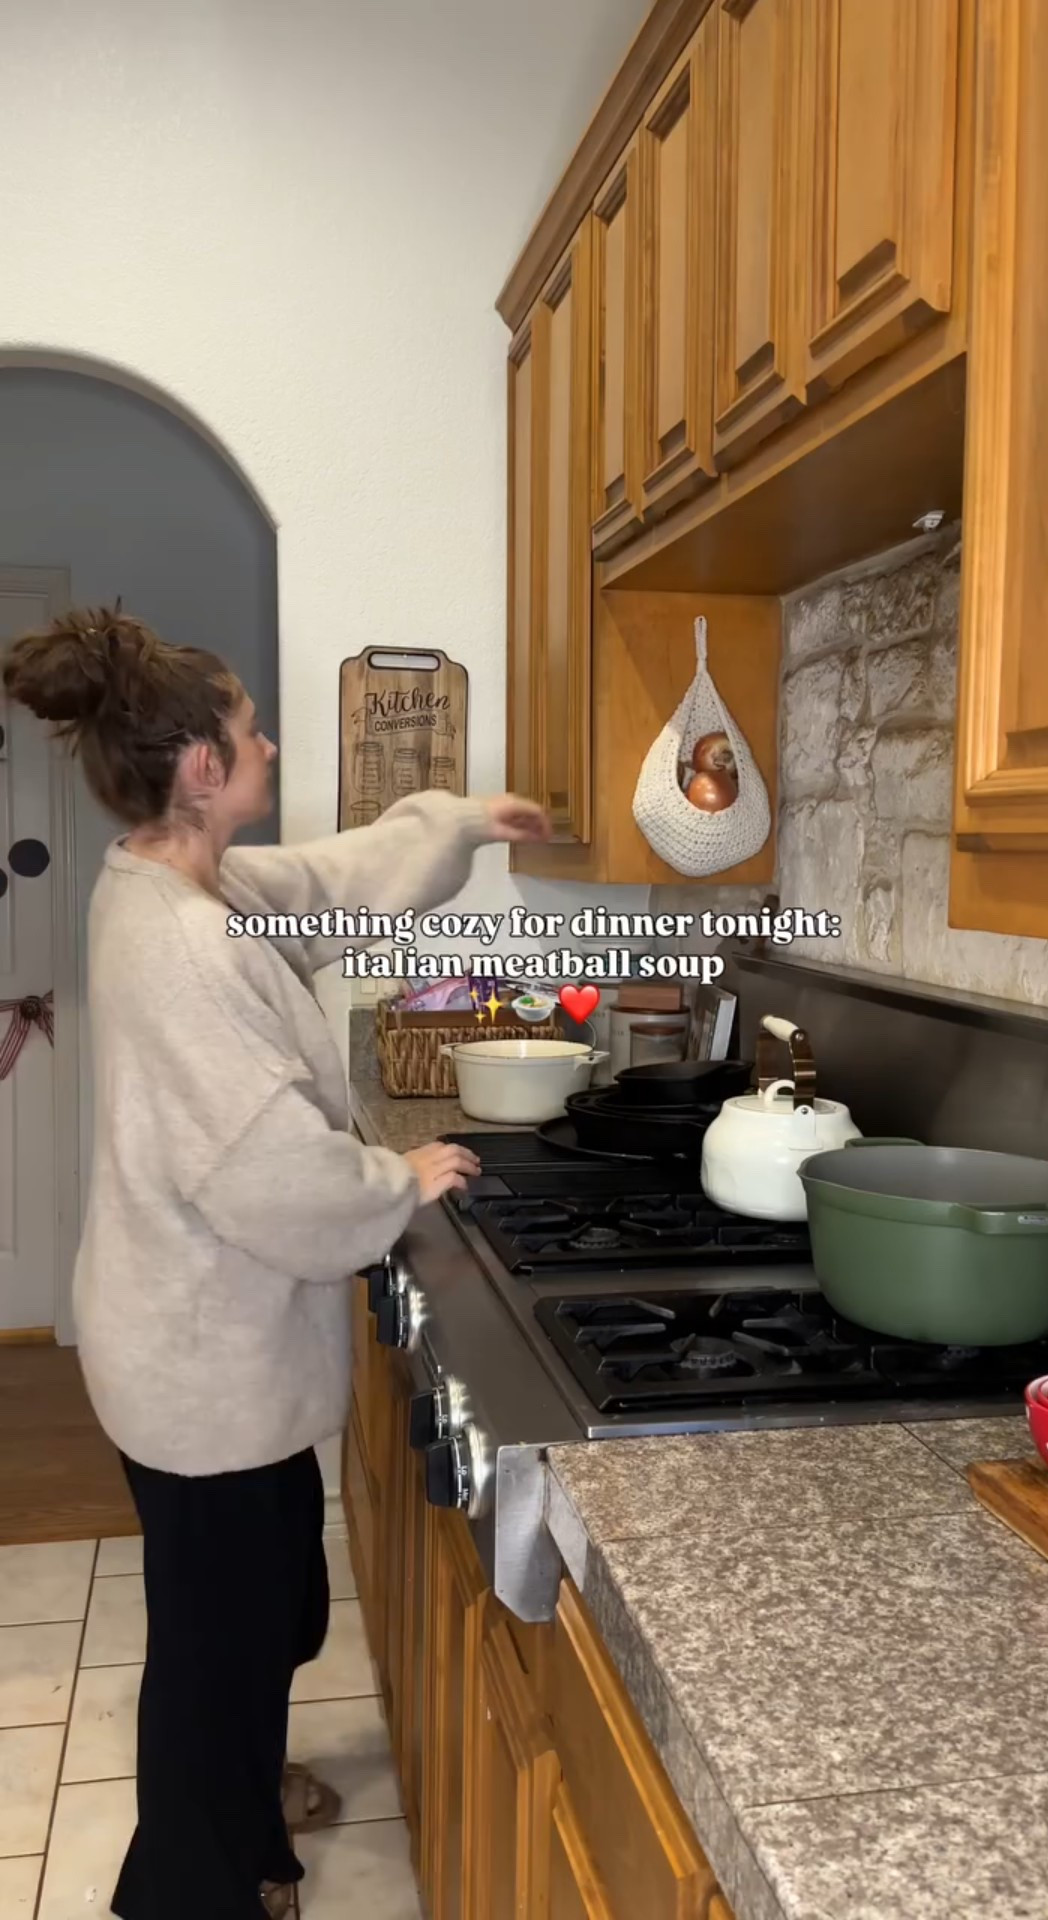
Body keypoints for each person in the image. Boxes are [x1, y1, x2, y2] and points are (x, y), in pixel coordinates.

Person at [1, 606, 552, 1920]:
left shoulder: (187, 881)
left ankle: (244, 1796)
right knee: (217, 1640)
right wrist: (395, 1179)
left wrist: (460, 819)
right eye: (250, 737)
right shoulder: (183, 940)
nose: (270, 746)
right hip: (198, 1365)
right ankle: (193, 1882)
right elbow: (263, 1170)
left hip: (194, 1346)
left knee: (258, 1609)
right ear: (200, 766)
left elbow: (333, 877)